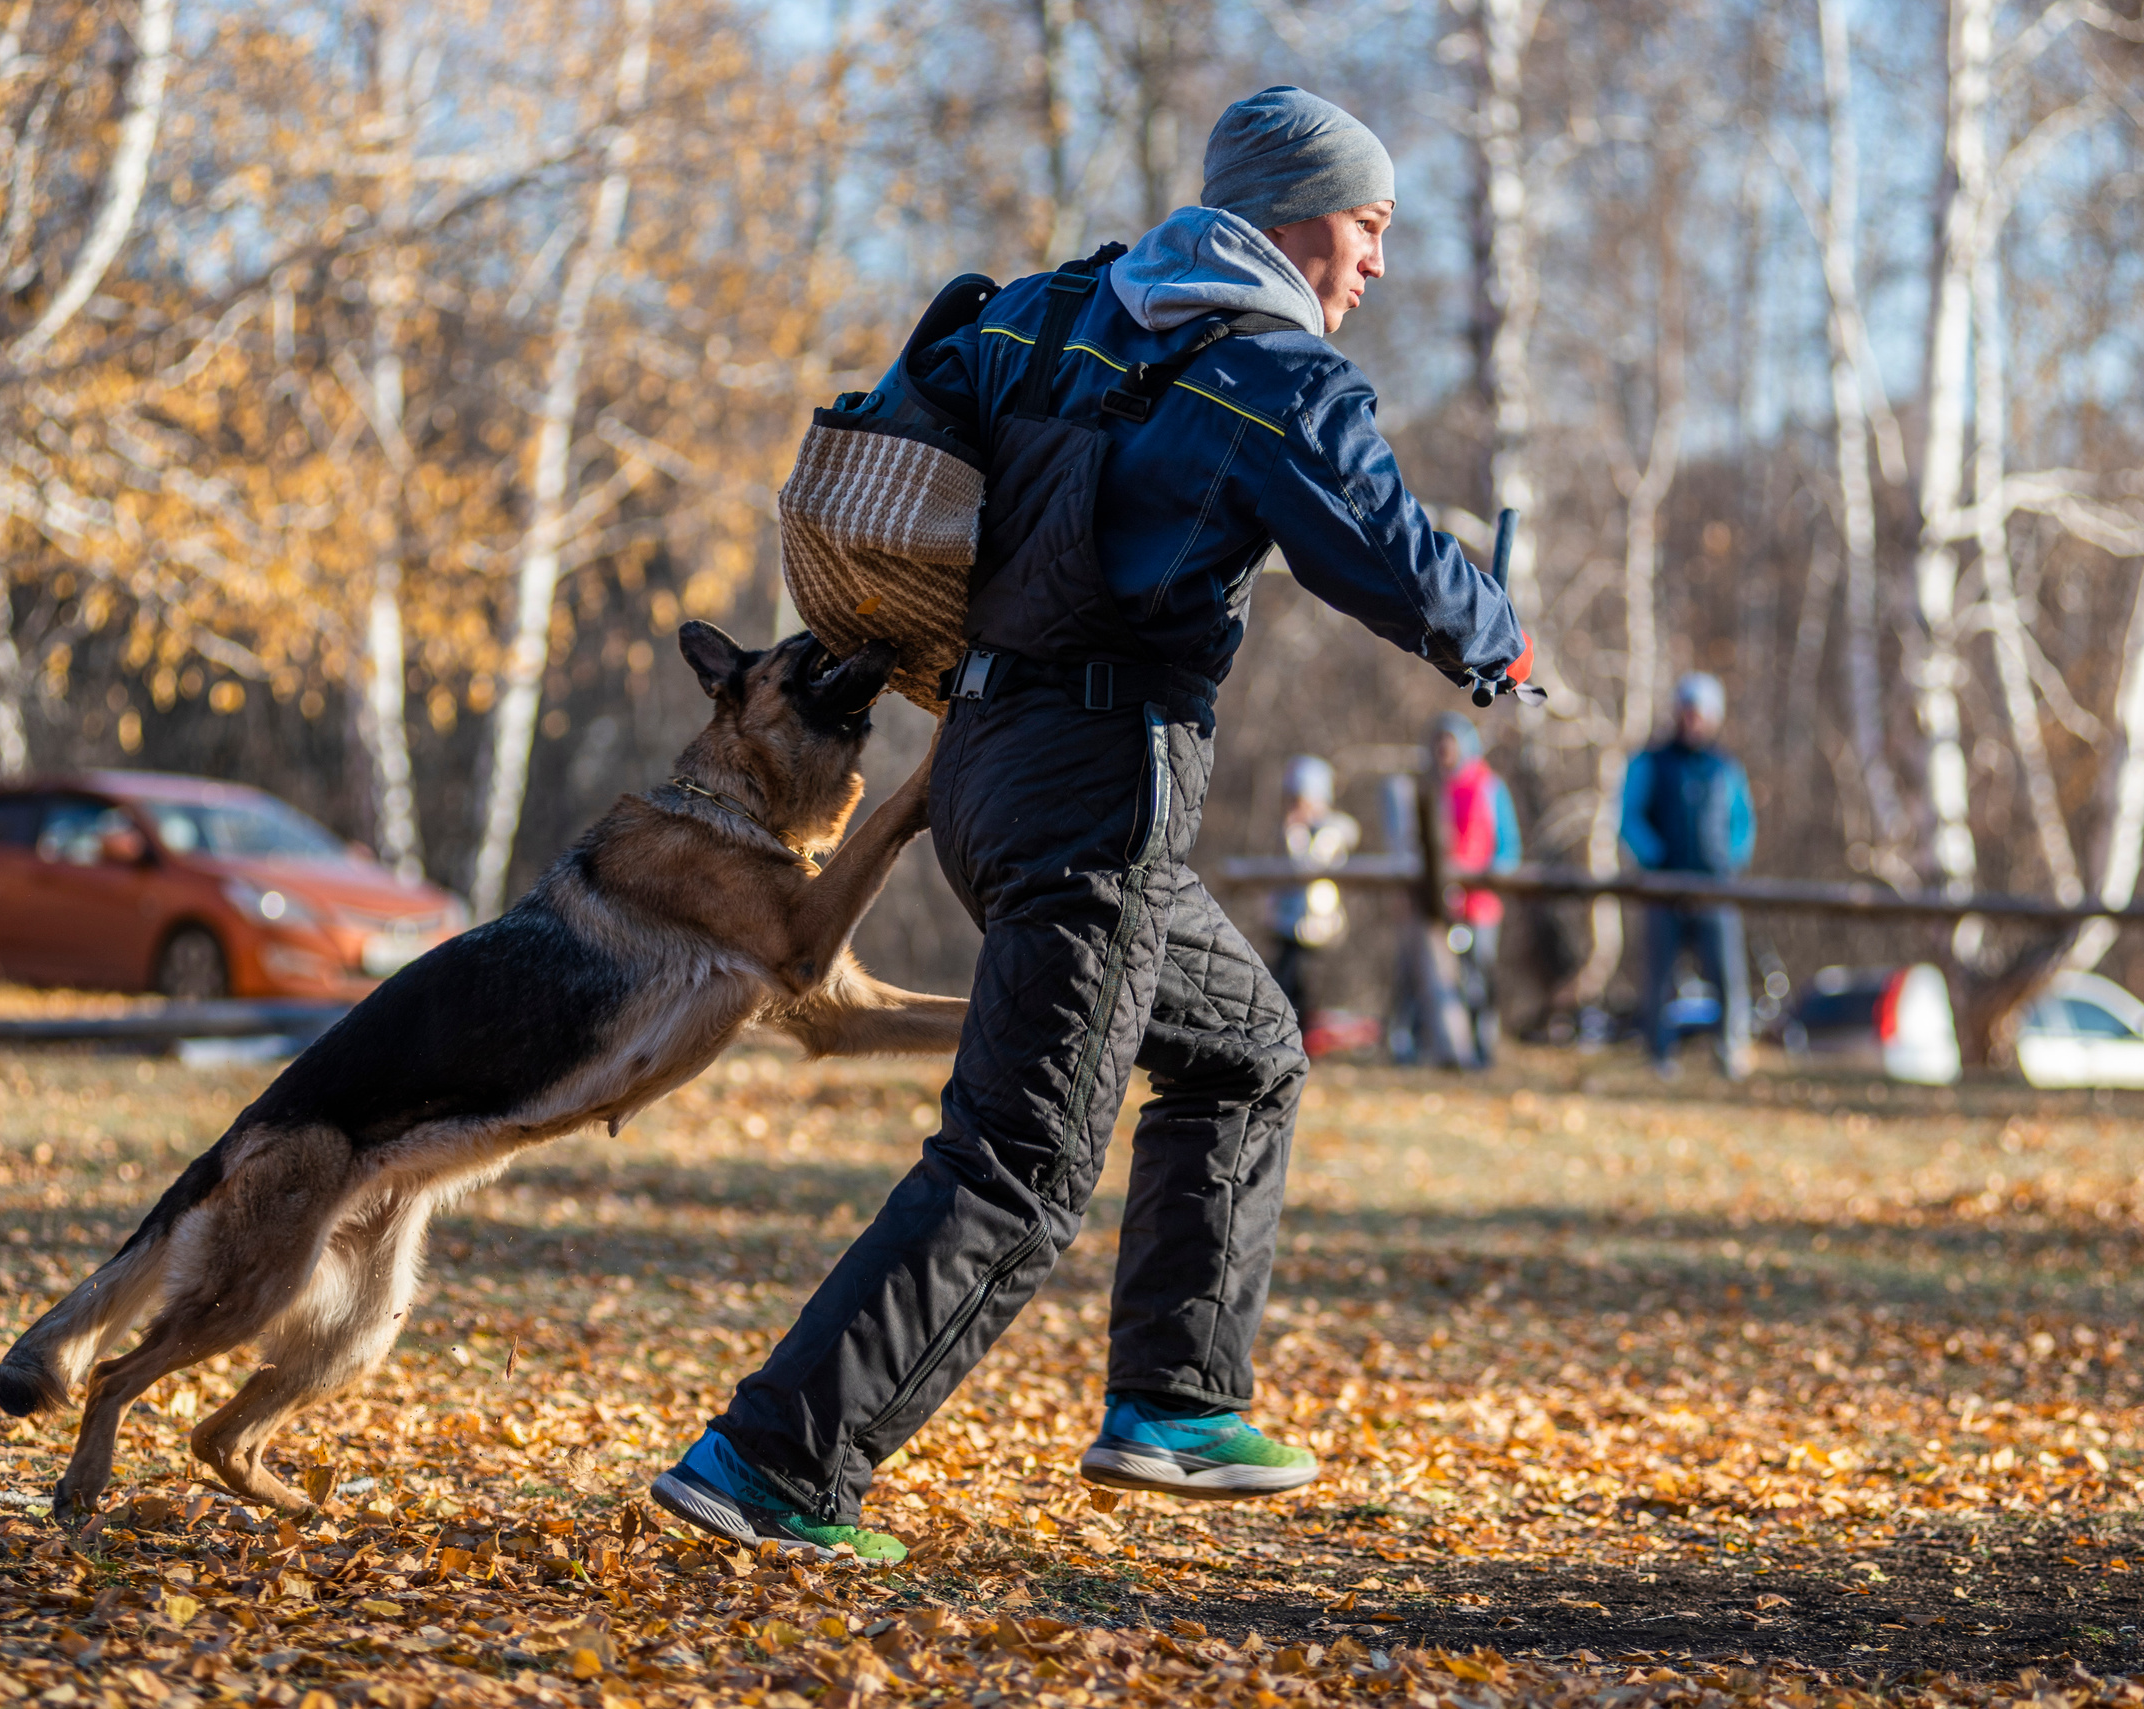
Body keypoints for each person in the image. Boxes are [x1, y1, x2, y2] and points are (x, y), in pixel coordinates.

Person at [652, 85, 1534, 1559]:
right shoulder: (1269, 375)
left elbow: (907, 402)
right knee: (1020, 1159)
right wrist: (1494, 641)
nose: (1375, 262)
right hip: (1101, 787)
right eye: (1369, 228)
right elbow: (1385, 547)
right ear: (1297, 215)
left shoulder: (1047, 313)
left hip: (982, 769)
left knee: (1245, 1048)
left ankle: (1179, 1404)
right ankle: (774, 1461)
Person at [1620, 673, 1755, 1080]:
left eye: (1699, 714)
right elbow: (1629, 818)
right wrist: (1654, 858)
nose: (1692, 721)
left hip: (1715, 888)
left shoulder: (1725, 768)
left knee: (1726, 974)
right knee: (1660, 975)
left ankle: (1730, 1050)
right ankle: (1659, 1054)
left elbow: (1742, 824)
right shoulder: (1651, 762)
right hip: (1664, 887)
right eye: (1686, 712)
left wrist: (1727, 861)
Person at [1431, 712, 1520, 1061]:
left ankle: (1485, 1048)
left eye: (1449, 745)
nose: (1444, 753)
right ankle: (1455, 1048)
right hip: (1445, 902)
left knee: (1480, 977)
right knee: (1446, 977)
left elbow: (1508, 845)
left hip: (1481, 904)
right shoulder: (1438, 789)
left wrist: (1491, 875)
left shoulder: (1489, 786)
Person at [1267, 755, 1360, 1035]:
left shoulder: (1329, 832)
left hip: (1316, 928)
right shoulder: (1293, 830)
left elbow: (1306, 865)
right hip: (1288, 925)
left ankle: (1307, 1040)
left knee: (1307, 990)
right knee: (1284, 985)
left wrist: (1295, 833)